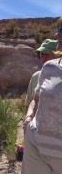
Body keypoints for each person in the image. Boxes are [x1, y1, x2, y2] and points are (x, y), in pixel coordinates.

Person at [22, 38, 62, 173]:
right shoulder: (47, 70)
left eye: (45, 54)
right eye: (40, 54)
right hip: (36, 146)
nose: (42, 58)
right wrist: (27, 120)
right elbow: (33, 101)